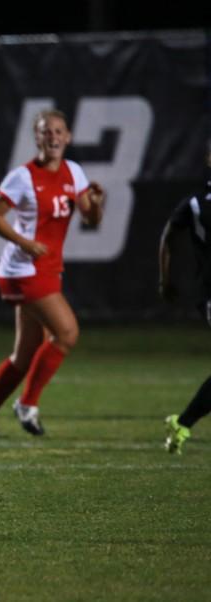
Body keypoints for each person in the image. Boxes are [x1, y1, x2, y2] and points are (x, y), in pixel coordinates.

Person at [0, 109, 105, 437]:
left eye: (58, 131)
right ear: (37, 137)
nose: (53, 137)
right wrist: (24, 242)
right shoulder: (23, 176)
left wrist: (96, 204)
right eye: (46, 132)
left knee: (24, 355)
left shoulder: (74, 172)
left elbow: (91, 219)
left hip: (46, 268)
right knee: (67, 333)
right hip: (22, 269)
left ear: (68, 136)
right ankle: (28, 403)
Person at [159, 152, 211, 454]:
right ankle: (183, 422)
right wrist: (164, 279)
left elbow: (167, 235)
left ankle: (183, 423)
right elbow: (168, 234)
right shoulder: (197, 204)